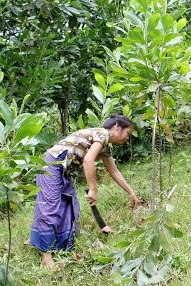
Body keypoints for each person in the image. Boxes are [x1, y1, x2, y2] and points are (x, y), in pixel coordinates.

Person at [30, 114, 139, 269]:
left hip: (62, 170)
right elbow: (88, 160)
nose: (127, 139)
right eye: (127, 133)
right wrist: (93, 189)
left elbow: (114, 172)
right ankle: (46, 257)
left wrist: (131, 192)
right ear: (116, 127)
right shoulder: (102, 134)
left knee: (68, 207)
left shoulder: (104, 145)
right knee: (50, 209)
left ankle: (58, 247)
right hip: (52, 165)